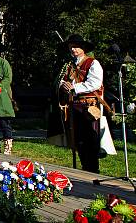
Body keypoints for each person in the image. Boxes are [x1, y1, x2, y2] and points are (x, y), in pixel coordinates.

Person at [57, 34, 106, 173]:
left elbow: (95, 83)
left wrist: (74, 88)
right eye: (71, 47)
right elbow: (62, 79)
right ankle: (84, 168)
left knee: (90, 138)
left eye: (76, 46)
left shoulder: (92, 63)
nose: (73, 49)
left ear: (83, 48)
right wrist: (64, 85)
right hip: (73, 106)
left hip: (88, 107)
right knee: (78, 139)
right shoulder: (69, 65)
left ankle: (92, 170)